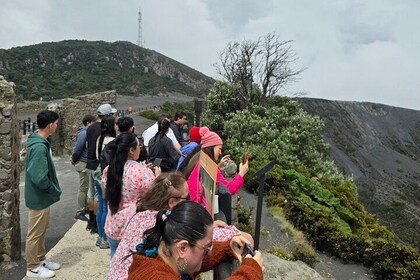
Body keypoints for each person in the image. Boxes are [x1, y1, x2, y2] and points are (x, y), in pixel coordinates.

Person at [108, 172, 245, 280]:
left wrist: (224, 246)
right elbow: (202, 237)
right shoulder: (162, 222)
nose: (190, 200)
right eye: (187, 197)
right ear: (172, 202)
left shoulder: (142, 216)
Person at [127, 201, 263, 280]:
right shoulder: (156, 277)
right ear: (182, 248)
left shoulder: (159, 252)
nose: (209, 253)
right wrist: (250, 272)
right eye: (206, 248)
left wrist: (227, 248)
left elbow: (189, 260)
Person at [103, 132, 158, 258]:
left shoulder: (109, 169)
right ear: (131, 150)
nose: (141, 148)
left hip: (113, 223)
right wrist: (158, 177)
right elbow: (154, 196)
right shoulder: (143, 172)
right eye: (139, 146)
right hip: (133, 227)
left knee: (115, 262)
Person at [25, 110, 62, 278]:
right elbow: (39, 177)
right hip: (39, 197)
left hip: (40, 197)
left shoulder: (40, 142)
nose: (56, 125)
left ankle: (40, 260)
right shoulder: (39, 147)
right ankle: (32, 267)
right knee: (35, 233)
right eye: (55, 123)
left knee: (41, 230)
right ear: (50, 125)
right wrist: (52, 189)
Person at [179, 127, 249, 210]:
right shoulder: (208, 167)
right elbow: (228, 190)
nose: (220, 152)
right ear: (211, 147)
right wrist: (241, 173)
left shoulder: (198, 160)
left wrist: (218, 166)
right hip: (198, 214)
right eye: (219, 149)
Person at [85, 103, 117, 233]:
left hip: (90, 164)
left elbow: (87, 145)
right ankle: (100, 230)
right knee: (101, 201)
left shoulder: (90, 128)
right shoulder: (105, 133)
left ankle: (92, 222)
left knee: (91, 194)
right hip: (100, 167)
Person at [94, 115, 117, 249]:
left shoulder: (99, 139)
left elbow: (98, 157)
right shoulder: (113, 141)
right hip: (106, 174)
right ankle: (104, 238)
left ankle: (99, 236)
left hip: (97, 171)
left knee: (101, 206)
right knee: (107, 208)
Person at [71, 114, 96, 222]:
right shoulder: (84, 132)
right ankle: (79, 212)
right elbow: (78, 147)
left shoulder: (86, 132)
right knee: (83, 188)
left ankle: (84, 208)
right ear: (88, 123)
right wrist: (74, 158)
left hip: (84, 161)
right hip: (82, 162)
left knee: (86, 186)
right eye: (93, 122)